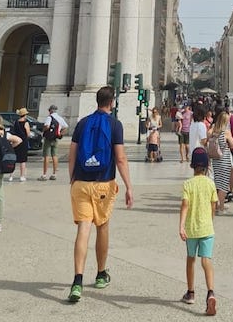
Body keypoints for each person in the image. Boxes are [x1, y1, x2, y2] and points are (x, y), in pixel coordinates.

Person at [67, 85, 134, 302]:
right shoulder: (115, 125)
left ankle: (77, 281)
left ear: (96, 101)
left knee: (83, 230)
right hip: (103, 183)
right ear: (112, 102)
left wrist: (73, 179)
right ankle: (100, 273)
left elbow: (72, 155)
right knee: (102, 226)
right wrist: (129, 186)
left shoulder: (83, 123)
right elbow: (121, 159)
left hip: (81, 183)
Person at [179, 147, 218, 315]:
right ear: (207, 166)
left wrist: (181, 226)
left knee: (191, 259)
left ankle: (191, 292)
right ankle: (210, 292)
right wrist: (210, 220)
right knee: (206, 260)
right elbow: (213, 205)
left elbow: (185, 205)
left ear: (192, 165)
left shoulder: (188, 184)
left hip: (192, 229)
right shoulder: (210, 183)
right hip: (207, 227)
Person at [207, 111, 233, 212]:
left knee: (217, 183)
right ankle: (220, 206)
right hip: (224, 159)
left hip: (215, 160)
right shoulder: (226, 132)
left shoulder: (213, 130)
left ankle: (215, 205)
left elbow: (208, 137)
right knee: (223, 185)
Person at [39, 104, 68, 181]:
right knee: (55, 155)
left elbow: (47, 126)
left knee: (46, 156)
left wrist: (43, 130)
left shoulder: (49, 117)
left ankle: (44, 175)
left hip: (48, 138)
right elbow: (65, 127)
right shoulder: (60, 118)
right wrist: (60, 134)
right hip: (55, 139)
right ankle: (54, 174)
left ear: (51, 110)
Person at [8, 108, 30, 182]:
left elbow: (14, 131)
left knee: (14, 159)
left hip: (16, 141)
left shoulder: (16, 122)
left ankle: (11, 176)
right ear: (25, 115)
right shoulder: (26, 123)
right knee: (22, 160)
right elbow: (28, 133)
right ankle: (22, 176)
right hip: (23, 142)